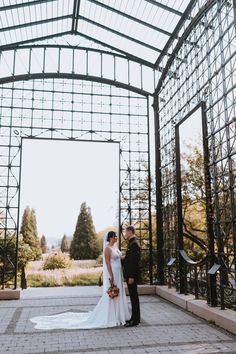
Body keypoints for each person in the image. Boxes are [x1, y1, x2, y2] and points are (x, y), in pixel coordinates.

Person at [30, 231, 130, 330]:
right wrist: (111, 275)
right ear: (111, 238)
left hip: (118, 274)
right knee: (112, 293)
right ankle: (110, 315)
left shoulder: (115, 247)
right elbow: (108, 263)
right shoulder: (107, 249)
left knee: (118, 292)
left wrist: (128, 255)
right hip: (113, 273)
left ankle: (119, 314)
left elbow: (119, 257)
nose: (117, 238)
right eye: (115, 236)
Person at [123, 225, 141, 327]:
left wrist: (131, 276)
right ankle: (134, 318)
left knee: (134, 298)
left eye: (126, 232)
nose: (125, 234)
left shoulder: (134, 244)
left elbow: (134, 262)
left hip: (132, 276)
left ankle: (135, 320)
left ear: (130, 232)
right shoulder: (131, 243)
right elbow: (128, 260)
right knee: (133, 297)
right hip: (130, 275)